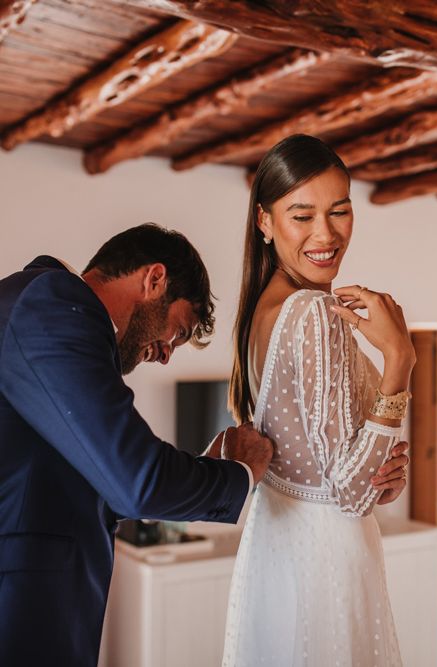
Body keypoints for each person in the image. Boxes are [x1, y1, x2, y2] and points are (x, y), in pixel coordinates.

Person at [0, 224, 274, 667]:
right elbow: (137, 482)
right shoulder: (54, 307)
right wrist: (240, 471)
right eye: (177, 332)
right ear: (154, 280)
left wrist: (193, 469)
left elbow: (100, 479)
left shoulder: (45, 310)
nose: (165, 354)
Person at [222, 135, 416, 666]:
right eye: (301, 215)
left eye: (340, 211)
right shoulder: (311, 313)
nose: (325, 234)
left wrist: (381, 471)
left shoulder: (262, 311)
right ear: (265, 221)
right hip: (326, 566)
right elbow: (350, 495)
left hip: (279, 552)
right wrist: (399, 357)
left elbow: (330, 467)